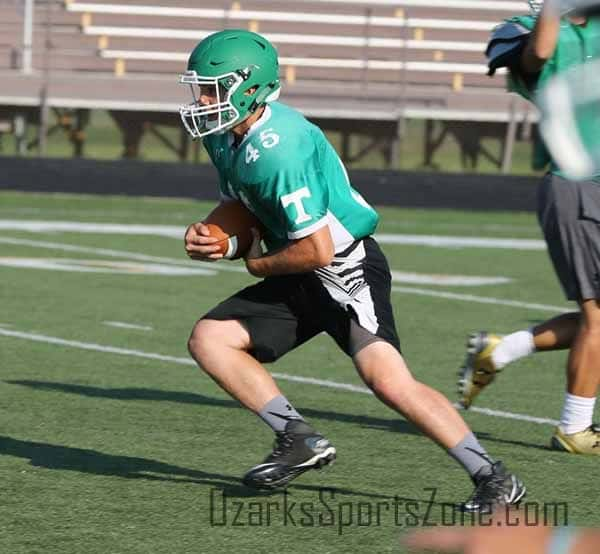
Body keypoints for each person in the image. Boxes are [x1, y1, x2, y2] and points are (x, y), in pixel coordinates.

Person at [180, 29, 525, 511]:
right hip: (299, 265)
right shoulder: (227, 134)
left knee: (388, 381)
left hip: (344, 269)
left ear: (249, 87)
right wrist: (216, 234)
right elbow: (241, 202)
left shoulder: (280, 147)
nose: (201, 99)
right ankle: (297, 437)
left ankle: (493, 477)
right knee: (210, 339)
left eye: (212, 90)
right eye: (199, 88)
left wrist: (251, 258)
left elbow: (317, 250)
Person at [458, 0, 600, 455]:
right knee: (599, 318)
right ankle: (574, 428)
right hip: (578, 184)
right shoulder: (522, 30)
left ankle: (501, 350)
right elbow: (537, 56)